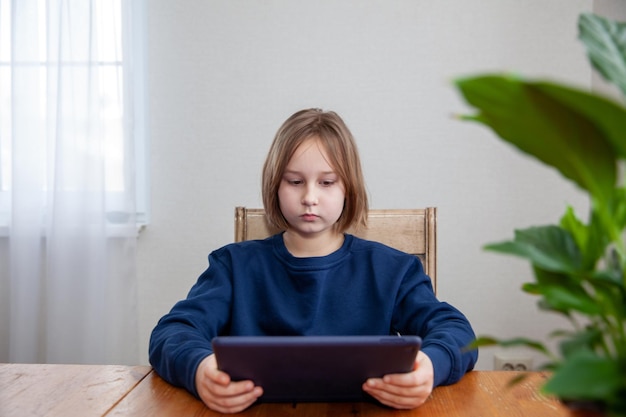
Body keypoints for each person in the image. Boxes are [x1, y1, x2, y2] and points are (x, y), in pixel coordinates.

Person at [149, 108, 478, 414]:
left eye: (326, 182)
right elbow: (172, 332)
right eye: (294, 181)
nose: (309, 196)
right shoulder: (233, 267)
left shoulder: (393, 270)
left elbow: (457, 331)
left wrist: (430, 366)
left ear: (348, 187)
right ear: (275, 186)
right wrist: (199, 369)